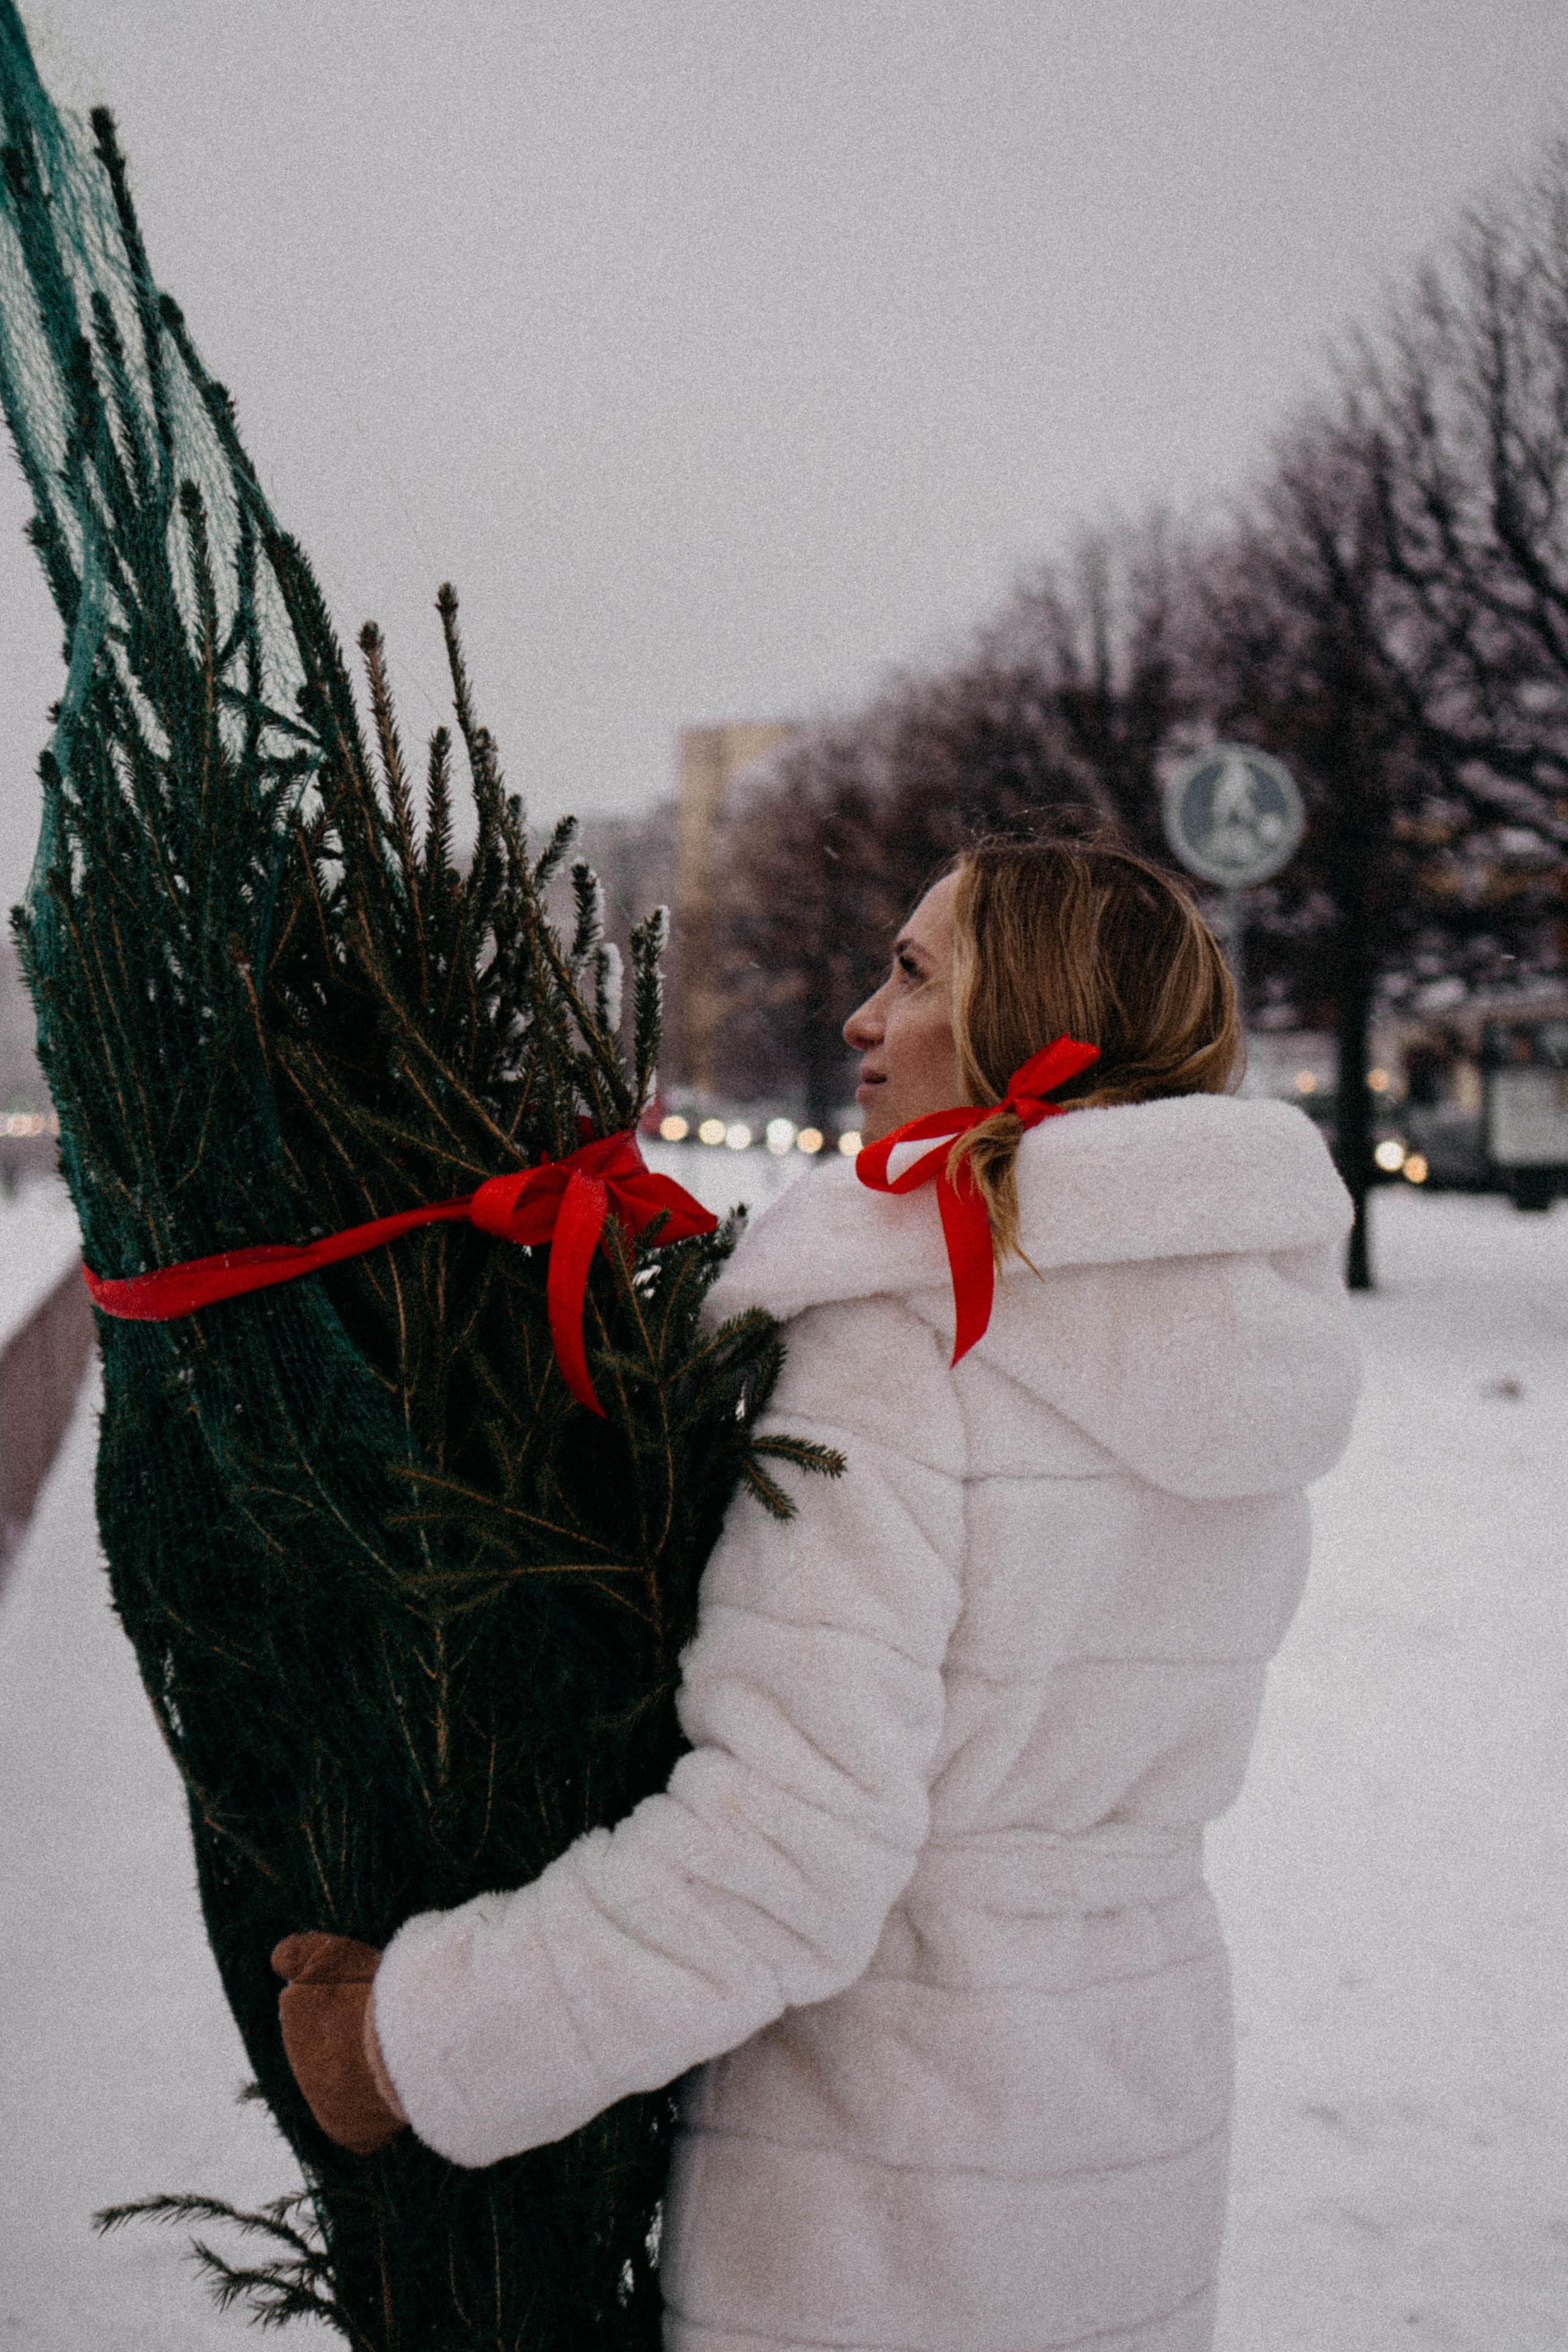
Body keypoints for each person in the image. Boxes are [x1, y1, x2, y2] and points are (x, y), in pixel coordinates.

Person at [275, 832, 1361, 2352]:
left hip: (888, 2180)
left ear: (1025, 1014)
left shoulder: (905, 1331)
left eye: (911, 972)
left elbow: (787, 1852)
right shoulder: (1238, 1344)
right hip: (1126, 2115)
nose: (861, 1015)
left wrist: (416, 2036)